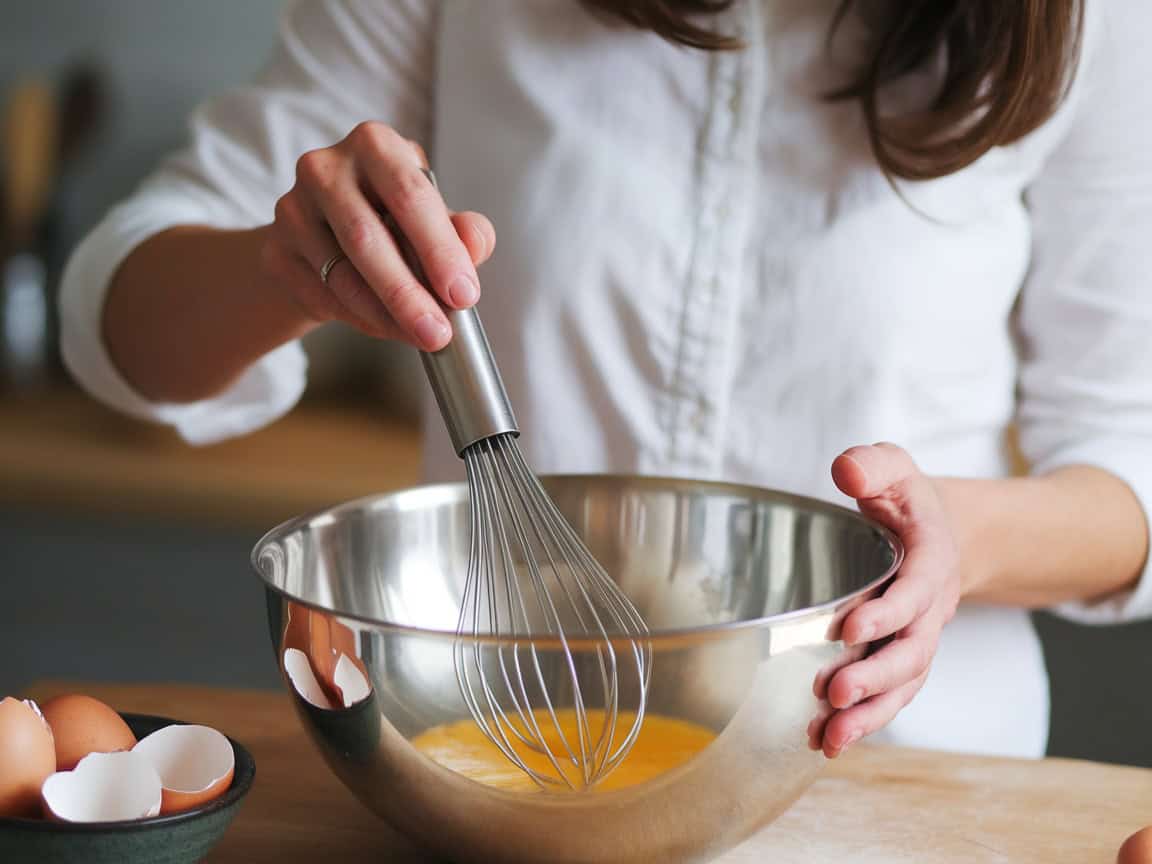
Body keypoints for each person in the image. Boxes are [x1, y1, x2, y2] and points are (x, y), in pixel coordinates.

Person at [59, 0, 1150, 761]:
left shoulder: (1086, 20)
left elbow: (1131, 469)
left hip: (907, 784)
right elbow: (124, 332)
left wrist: (953, 539)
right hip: (505, 777)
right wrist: (282, 266)